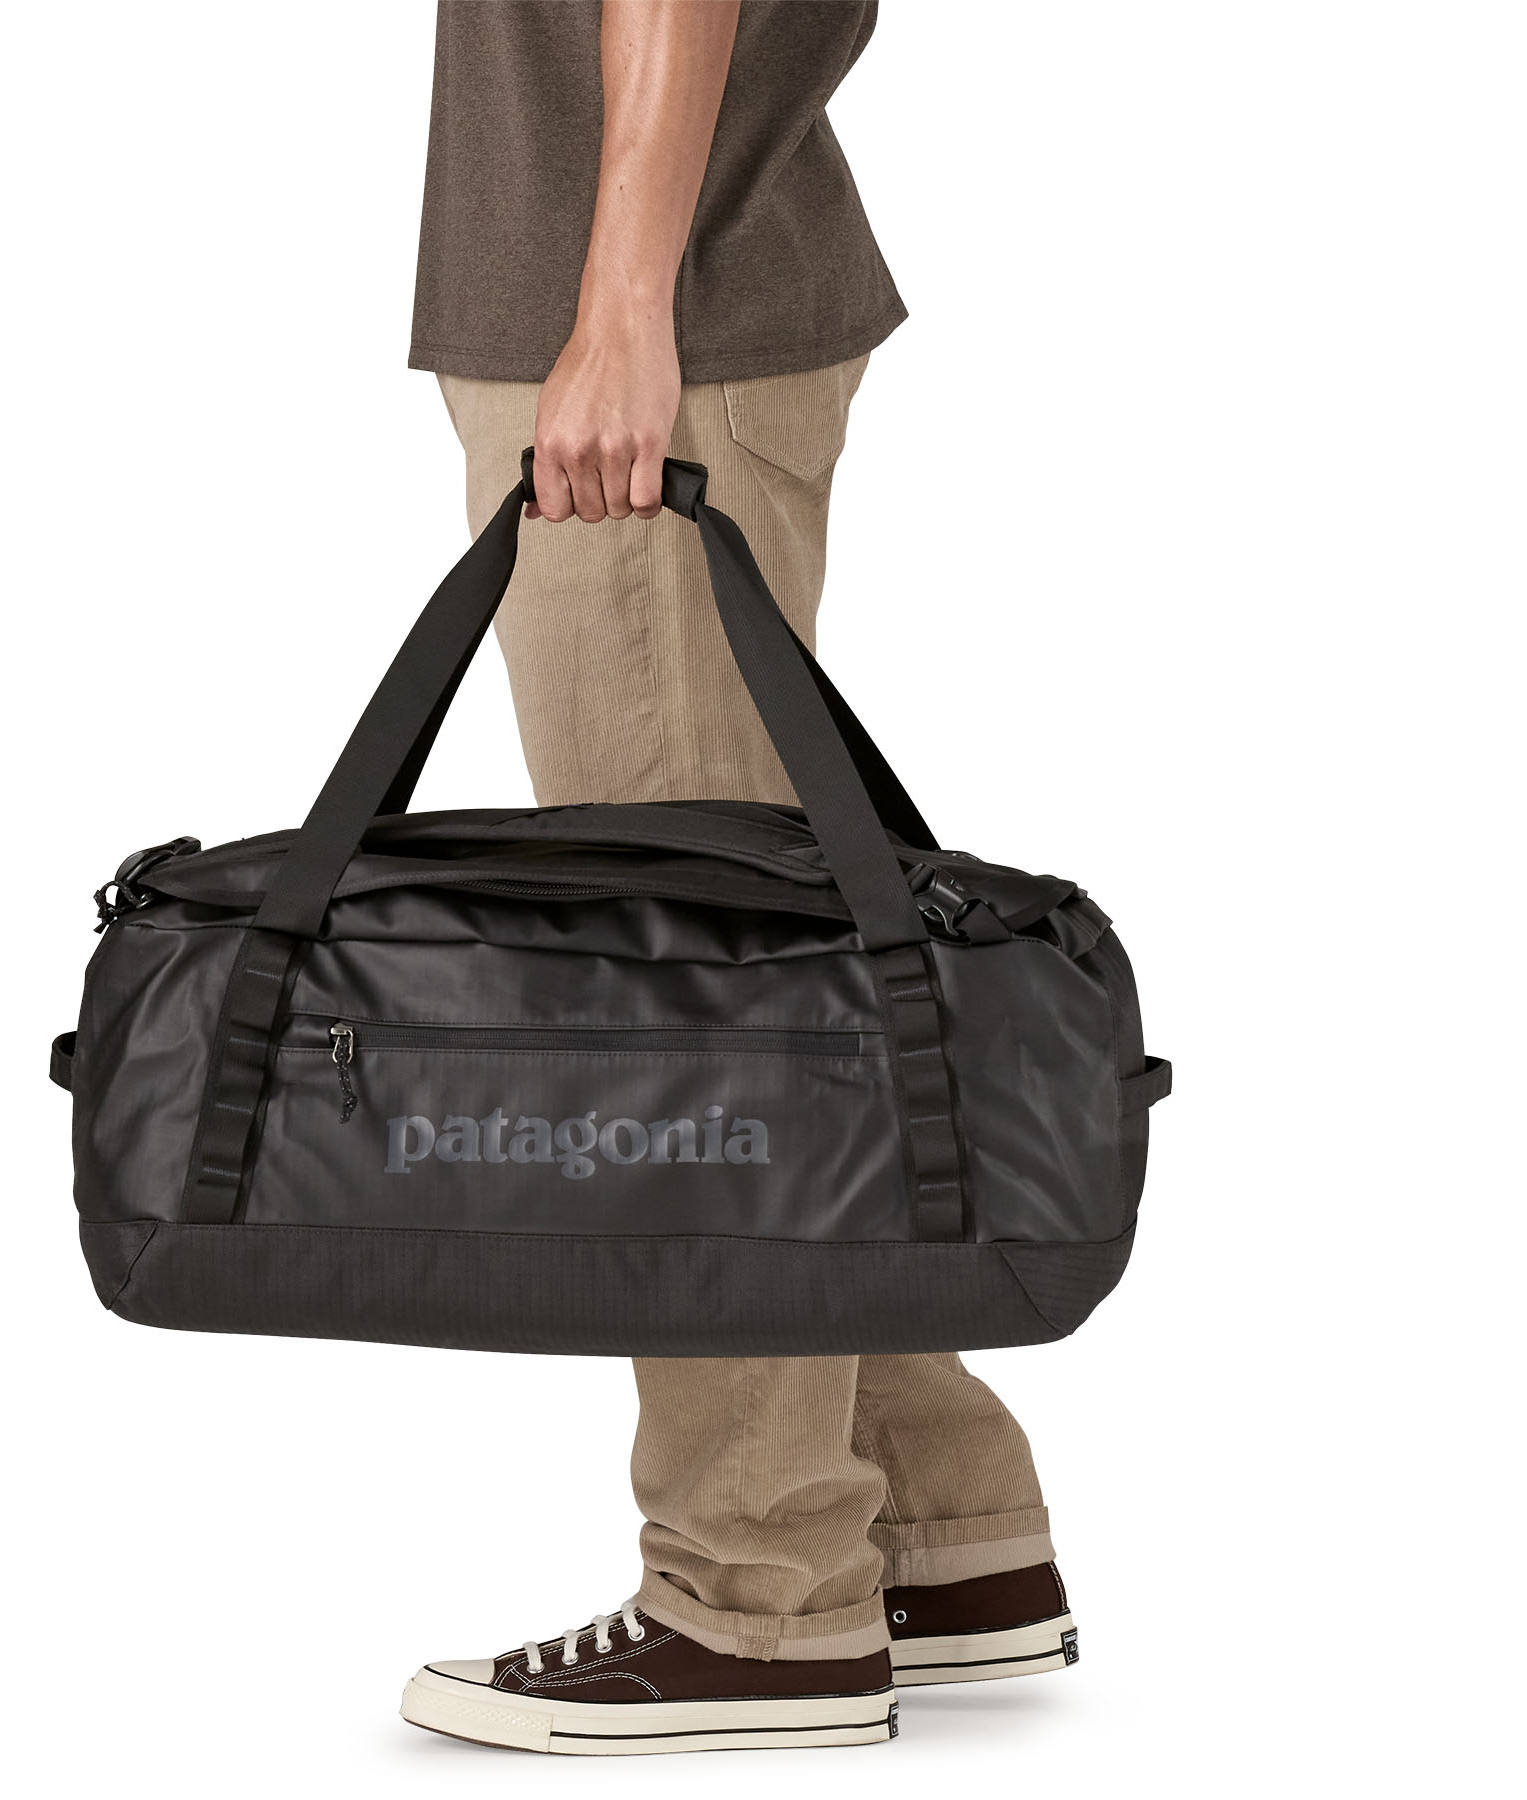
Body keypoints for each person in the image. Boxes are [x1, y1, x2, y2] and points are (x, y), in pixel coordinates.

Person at [400, 2, 1074, 1754]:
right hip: (656, 306)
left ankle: (760, 1595)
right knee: (768, 977)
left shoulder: (630, 326)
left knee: (696, 1015)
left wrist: (620, 309)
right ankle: (940, 1528)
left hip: (641, 335)